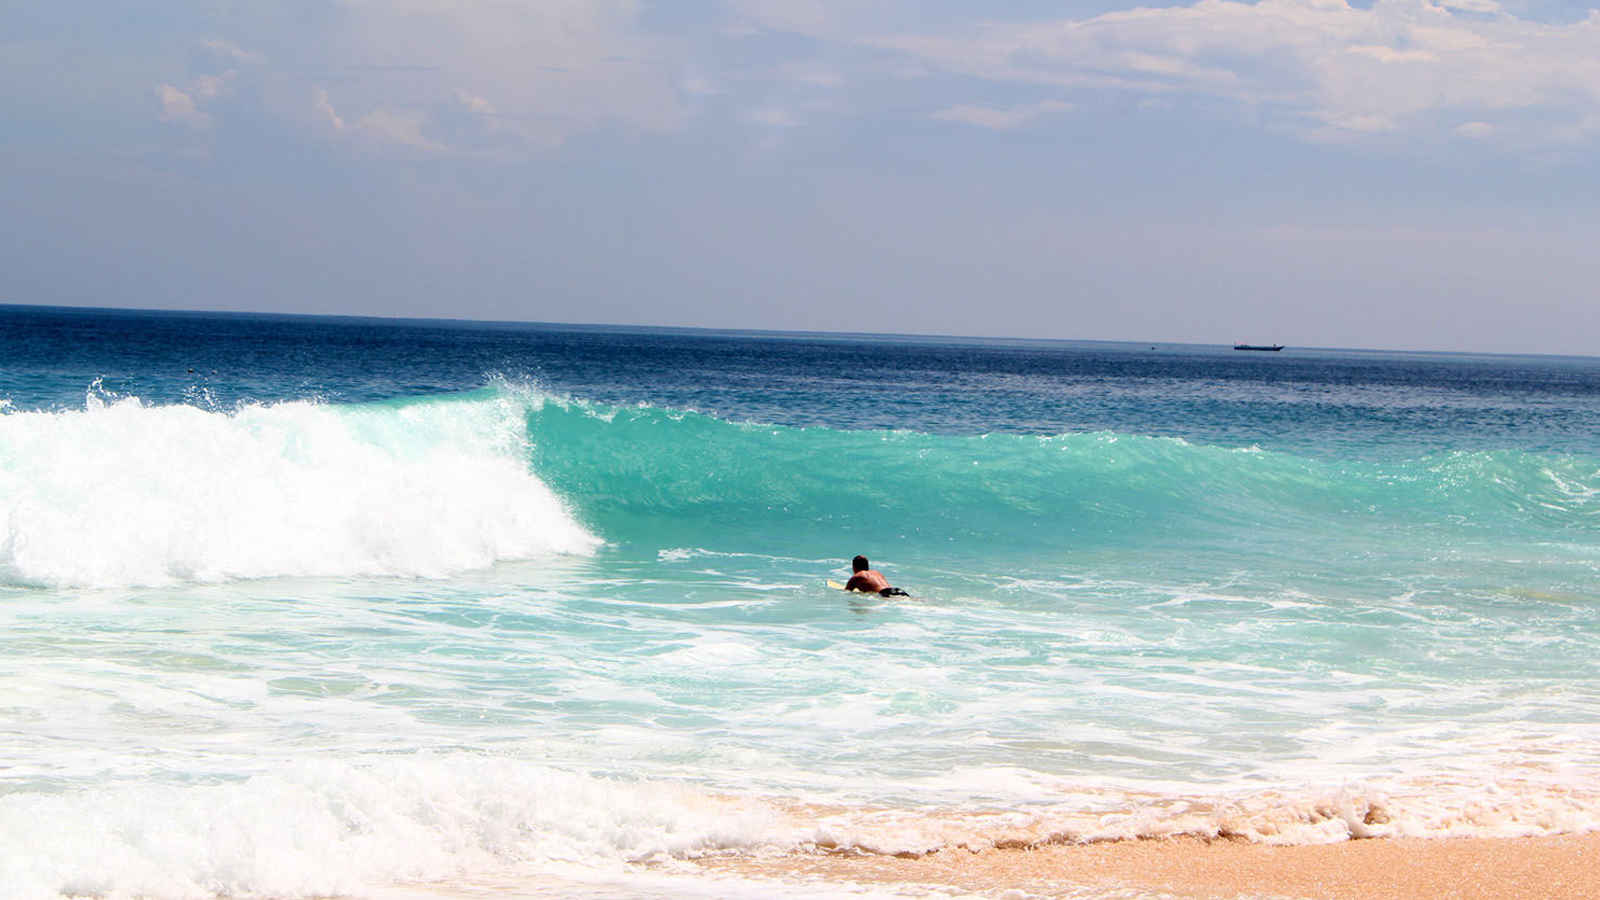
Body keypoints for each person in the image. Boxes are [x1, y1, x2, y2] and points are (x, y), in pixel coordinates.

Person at [845, 555, 909, 597]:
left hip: (884, 594)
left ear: (854, 567)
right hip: (896, 590)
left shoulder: (857, 576)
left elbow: (846, 592)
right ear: (867, 566)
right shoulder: (876, 572)